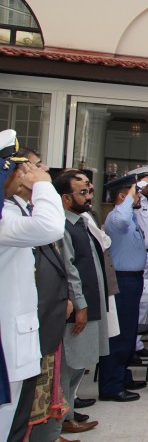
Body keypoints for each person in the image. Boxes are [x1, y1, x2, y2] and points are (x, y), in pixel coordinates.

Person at [0, 131, 65, 441]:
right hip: (8, 346)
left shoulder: (14, 209)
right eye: (26, 167)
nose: (37, 171)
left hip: (19, 341)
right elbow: (50, 226)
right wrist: (43, 185)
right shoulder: (4, 217)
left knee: (15, 422)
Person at [54, 170, 112, 436]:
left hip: (91, 303)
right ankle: (61, 421)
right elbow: (69, 270)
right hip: (78, 308)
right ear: (66, 198)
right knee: (69, 365)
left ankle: (68, 414)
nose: (89, 197)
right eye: (82, 193)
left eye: (89, 191)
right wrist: (80, 305)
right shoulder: (63, 226)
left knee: (80, 363)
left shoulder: (81, 222)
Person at [98, 174, 148, 403]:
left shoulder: (131, 217)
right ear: (122, 196)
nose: (139, 198)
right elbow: (121, 221)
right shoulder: (116, 217)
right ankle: (111, 385)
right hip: (122, 281)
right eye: (135, 194)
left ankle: (122, 376)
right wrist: (129, 198)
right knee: (118, 336)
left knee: (128, 333)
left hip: (133, 281)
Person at [128, 166, 148, 359]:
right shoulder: (134, 201)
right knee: (136, 300)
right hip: (139, 255)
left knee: (144, 300)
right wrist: (137, 185)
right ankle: (131, 344)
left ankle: (137, 343)